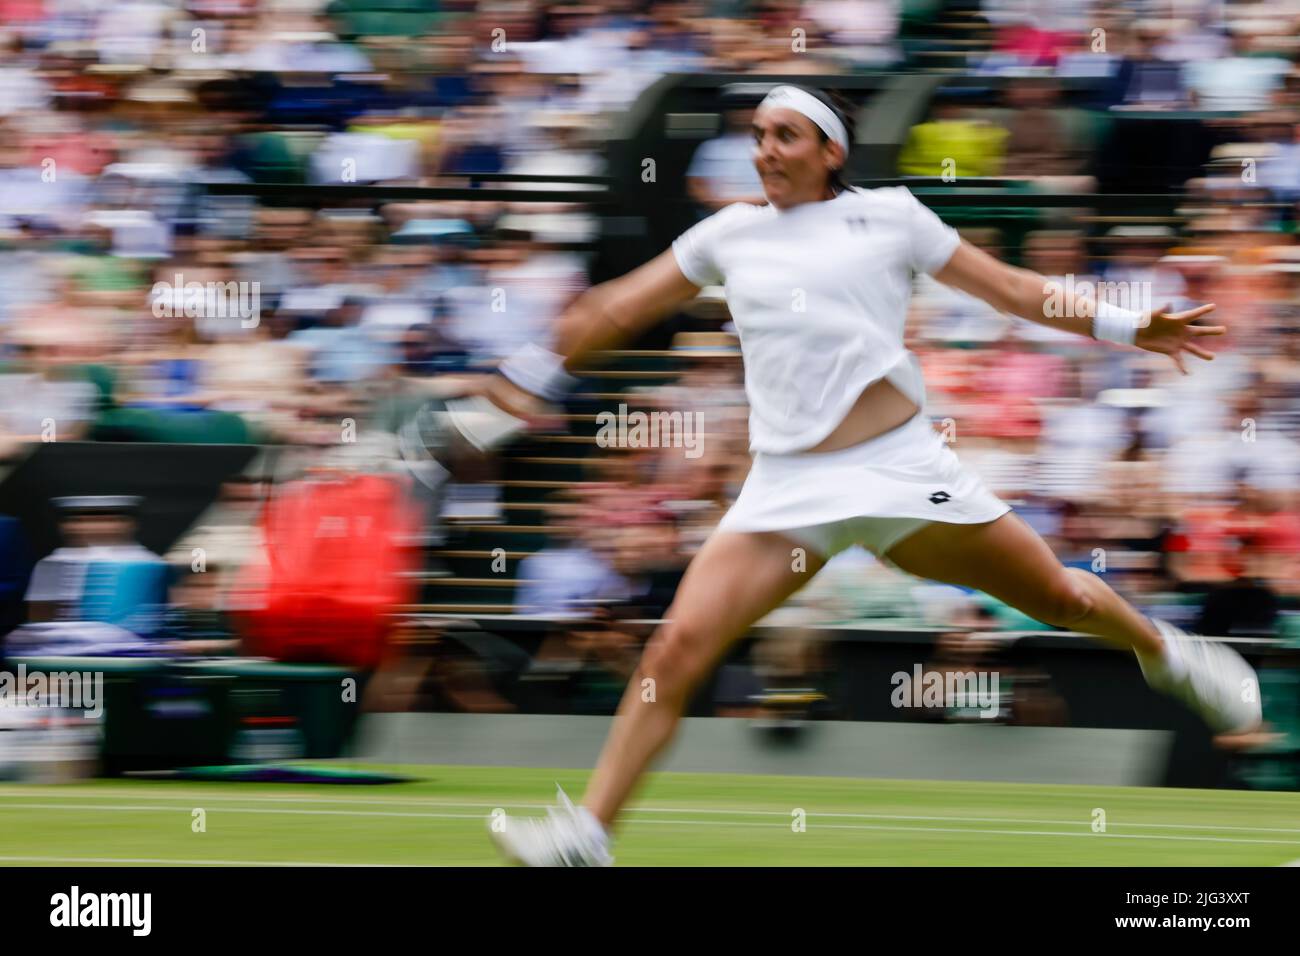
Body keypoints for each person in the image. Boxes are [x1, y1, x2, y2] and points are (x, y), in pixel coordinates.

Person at [439, 84, 1260, 866]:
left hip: (898, 470)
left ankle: (1167, 653)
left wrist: (1129, 326)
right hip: (787, 488)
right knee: (676, 650)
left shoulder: (892, 217)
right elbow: (616, 307)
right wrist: (526, 378)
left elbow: (1013, 290)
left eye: (784, 136)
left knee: (1060, 599)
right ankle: (589, 832)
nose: (764, 151)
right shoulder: (728, 233)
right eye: (757, 136)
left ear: (831, 151)